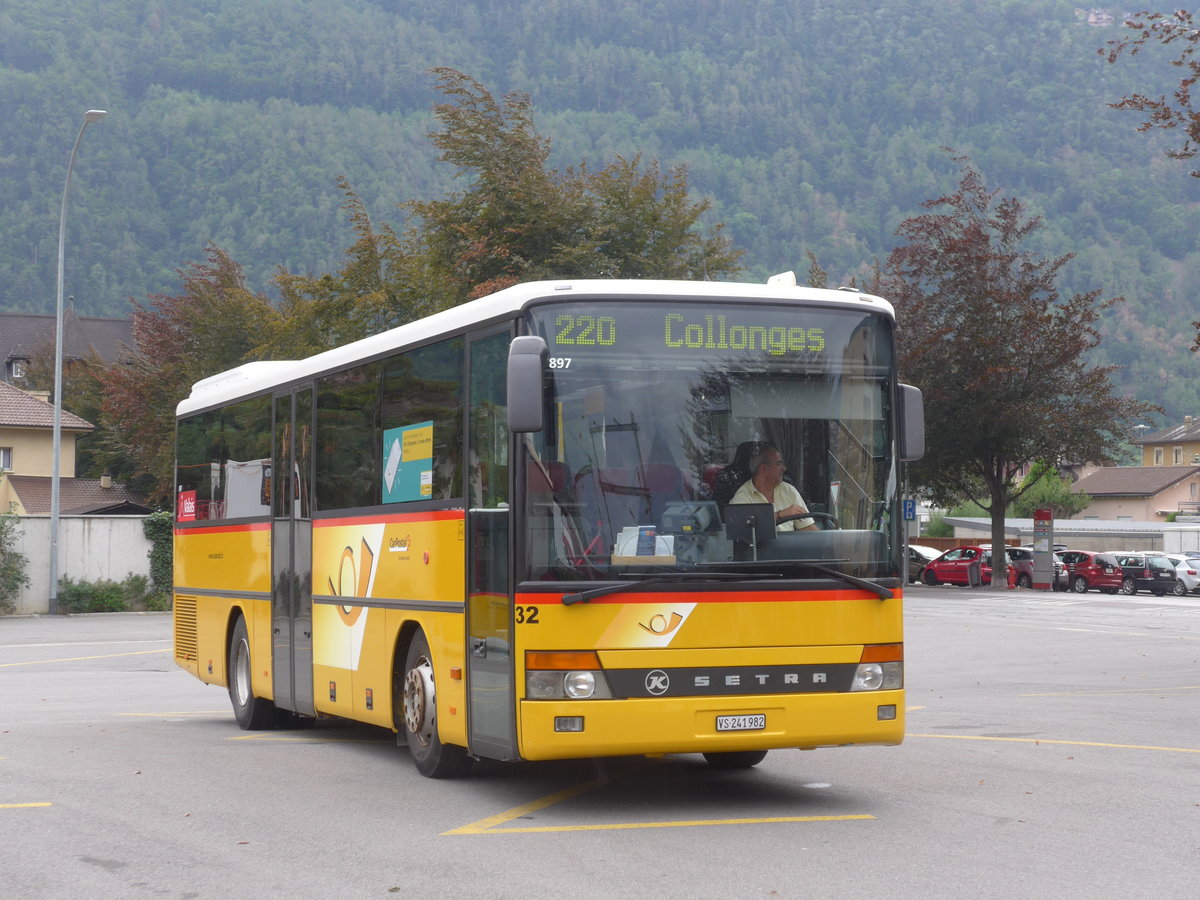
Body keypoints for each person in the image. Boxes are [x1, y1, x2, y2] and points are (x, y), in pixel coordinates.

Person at [729, 443, 817, 531]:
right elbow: (742, 531)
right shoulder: (742, 498)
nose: (784, 468)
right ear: (763, 468)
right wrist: (780, 515)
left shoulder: (788, 490)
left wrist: (827, 542)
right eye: (779, 463)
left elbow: (808, 528)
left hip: (791, 544)